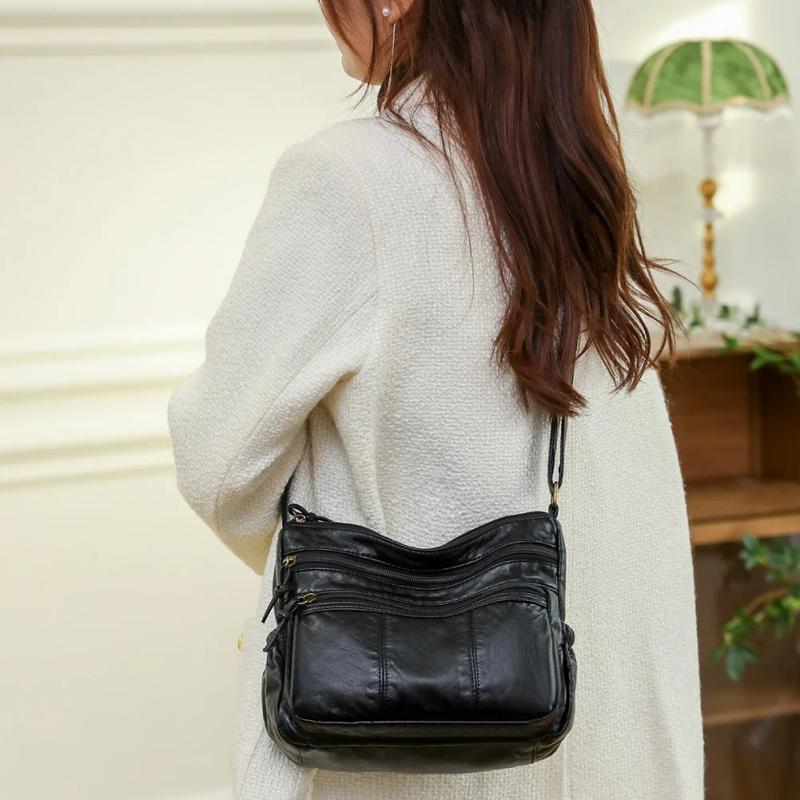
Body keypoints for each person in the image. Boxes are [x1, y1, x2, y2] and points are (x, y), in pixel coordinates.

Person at [167, 1, 705, 798]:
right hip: (611, 739)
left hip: (411, 746)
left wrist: (337, 578)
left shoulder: (347, 180)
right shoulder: (583, 187)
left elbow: (219, 463)